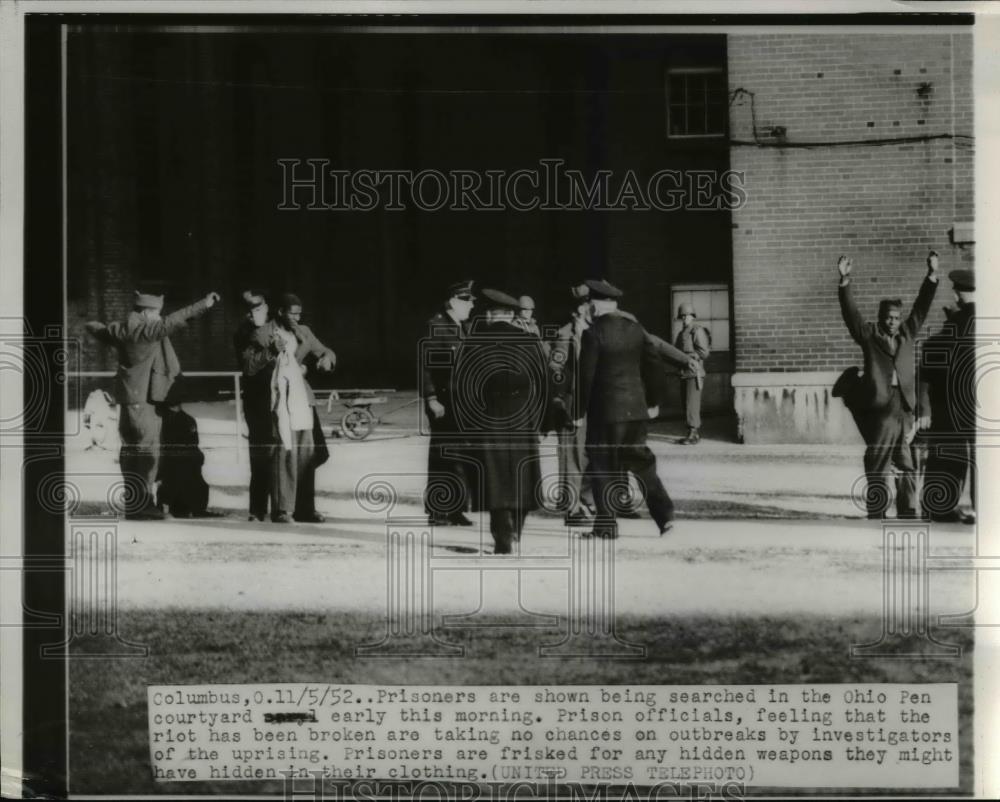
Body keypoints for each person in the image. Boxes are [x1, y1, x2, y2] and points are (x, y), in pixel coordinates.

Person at [575, 279, 695, 539]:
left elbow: (586, 377)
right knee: (643, 466)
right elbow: (654, 366)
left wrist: (577, 412)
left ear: (595, 305)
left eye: (589, 304)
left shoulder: (592, 333)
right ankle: (666, 520)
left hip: (605, 415)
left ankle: (606, 527)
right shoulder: (636, 329)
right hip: (636, 412)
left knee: (603, 467)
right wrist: (652, 402)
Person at [85, 290, 220, 519]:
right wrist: (204, 304)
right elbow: (175, 320)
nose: (160, 317)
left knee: (131, 452)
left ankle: (135, 504)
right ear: (147, 313)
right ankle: (143, 506)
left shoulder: (121, 329)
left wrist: (93, 325)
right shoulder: (145, 331)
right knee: (146, 453)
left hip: (129, 400)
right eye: (157, 313)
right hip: (143, 401)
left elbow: (98, 329)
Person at [838, 251, 939, 519]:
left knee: (907, 462)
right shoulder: (870, 335)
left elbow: (922, 307)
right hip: (881, 410)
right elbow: (851, 316)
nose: (892, 322)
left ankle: (908, 510)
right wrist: (845, 280)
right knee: (878, 462)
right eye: (888, 318)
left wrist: (931, 276)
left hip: (904, 409)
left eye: (896, 318)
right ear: (881, 317)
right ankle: (876, 511)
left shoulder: (907, 333)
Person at [458, 289, 548, 554]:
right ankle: (516, 528)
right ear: (512, 315)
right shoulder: (529, 341)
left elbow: (462, 388)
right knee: (521, 474)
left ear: (488, 314)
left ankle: (503, 537)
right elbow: (543, 386)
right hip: (523, 419)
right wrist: (542, 422)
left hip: (488, 420)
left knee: (495, 478)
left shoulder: (473, 342)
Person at [243, 293, 336, 523]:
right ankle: (282, 509)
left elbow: (326, 350)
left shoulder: (303, 331)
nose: (296, 318)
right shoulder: (263, 332)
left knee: (308, 454)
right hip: (278, 401)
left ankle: (305, 508)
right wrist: (272, 351)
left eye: (299, 314)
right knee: (284, 454)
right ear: (281, 312)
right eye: (292, 313)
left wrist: (327, 360)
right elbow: (249, 366)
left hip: (303, 401)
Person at [917, 267, 976, 524]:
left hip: (951, 403)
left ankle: (939, 505)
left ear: (957, 295)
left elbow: (929, 370)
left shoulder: (950, 330)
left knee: (948, 454)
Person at [421, 280, 476, 526]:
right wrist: (431, 398)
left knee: (459, 455)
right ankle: (438, 510)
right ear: (454, 301)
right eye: (468, 301)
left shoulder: (460, 327)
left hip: (459, 403)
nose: (471, 305)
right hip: (443, 403)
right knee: (442, 456)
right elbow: (426, 367)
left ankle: (455, 509)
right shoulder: (437, 326)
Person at [549, 284, 596, 525]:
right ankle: (572, 507)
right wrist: (561, 402)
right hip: (572, 405)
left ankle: (585, 499)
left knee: (587, 455)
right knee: (571, 456)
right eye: (585, 307)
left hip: (591, 405)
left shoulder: (593, 333)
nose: (588, 311)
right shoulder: (566, 334)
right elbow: (556, 371)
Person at [233, 291, 273, 521]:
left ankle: (285, 505)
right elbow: (249, 367)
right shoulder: (243, 333)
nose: (252, 314)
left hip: (283, 397)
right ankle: (257, 509)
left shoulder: (279, 326)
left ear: (266, 306)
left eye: (257, 308)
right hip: (259, 400)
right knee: (260, 454)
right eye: (248, 310)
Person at [673, 301, 711, 445]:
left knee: (692, 404)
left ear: (692, 316)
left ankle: (694, 434)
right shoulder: (682, 333)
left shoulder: (697, 331)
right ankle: (690, 432)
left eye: (687, 316)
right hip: (684, 372)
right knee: (686, 404)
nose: (684, 319)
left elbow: (704, 352)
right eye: (682, 316)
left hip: (694, 373)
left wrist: (690, 357)